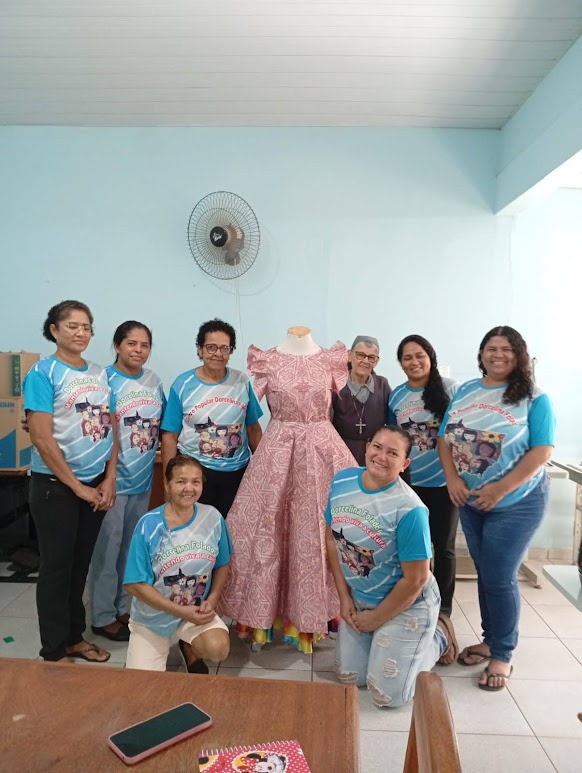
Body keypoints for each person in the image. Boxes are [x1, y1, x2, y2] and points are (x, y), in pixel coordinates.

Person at [220, 327, 356, 652]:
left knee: (319, 531)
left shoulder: (330, 359)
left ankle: (318, 614)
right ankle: (264, 613)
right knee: (267, 528)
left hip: (322, 452)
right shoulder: (267, 360)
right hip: (277, 451)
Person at [437, 326, 555, 691]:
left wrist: (501, 489)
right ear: (481, 353)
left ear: (519, 355)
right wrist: (452, 479)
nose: (498, 354)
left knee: (500, 577)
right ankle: (490, 640)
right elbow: (443, 439)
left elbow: (542, 451)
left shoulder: (535, 398)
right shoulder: (465, 391)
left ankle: (503, 653)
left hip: (517, 503)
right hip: (472, 502)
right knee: (487, 573)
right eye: (491, 348)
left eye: (507, 348)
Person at [324, 426, 458, 708]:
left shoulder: (410, 509)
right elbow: (332, 540)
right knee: (350, 677)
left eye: (392, 453)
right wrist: (344, 598)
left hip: (408, 603)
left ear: (405, 463)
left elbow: (416, 579)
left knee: (387, 696)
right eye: (377, 447)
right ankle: (383, 640)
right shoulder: (342, 481)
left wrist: (376, 619)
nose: (381, 456)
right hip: (361, 599)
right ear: (367, 447)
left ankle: (438, 637)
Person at [23, 300, 118, 663]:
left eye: (86, 327)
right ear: (54, 330)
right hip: (55, 487)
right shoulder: (43, 374)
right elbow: (41, 437)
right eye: (72, 326)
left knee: (80, 566)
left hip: (95, 484)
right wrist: (78, 488)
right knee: (56, 569)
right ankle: (53, 649)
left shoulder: (99, 373)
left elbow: (111, 427)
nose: (81, 333)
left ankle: (74, 638)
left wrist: (109, 478)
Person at [89, 321, 165, 642]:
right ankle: (102, 616)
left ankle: (121, 607)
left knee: (130, 550)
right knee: (106, 552)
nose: (138, 350)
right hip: (111, 482)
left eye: (144, 345)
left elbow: (162, 425)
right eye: (131, 343)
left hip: (142, 480)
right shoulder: (103, 380)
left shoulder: (153, 380)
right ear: (117, 346)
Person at [124, 454, 232, 673]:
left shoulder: (212, 517)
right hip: (152, 619)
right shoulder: (148, 525)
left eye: (195, 482)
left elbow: (223, 563)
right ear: (167, 484)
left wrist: (212, 600)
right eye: (181, 481)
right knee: (141, 688)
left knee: (218, 648)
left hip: (194, 613)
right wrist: (181, 611)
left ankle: (188, 645)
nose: (188, 488)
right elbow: (134, 584)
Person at [161, 318, 263, 516]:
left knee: (233, 529)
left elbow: (253, 429)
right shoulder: (183, 384)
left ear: (231, 351)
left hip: (237, 474)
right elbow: (169, 436)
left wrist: (262, 471)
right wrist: (168, 482)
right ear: (200, 349)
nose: (218, 353)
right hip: (195, 474)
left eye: (225, 348)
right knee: (197, 527)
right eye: (211, 347)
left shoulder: (241, 381)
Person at [388, 335, 459, 616]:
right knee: (412, 548)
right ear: (401, 363)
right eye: (407, 358)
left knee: (443, 547)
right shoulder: (396, 396)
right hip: (409, 485)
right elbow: (394, 440)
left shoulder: (451, 389)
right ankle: (412, 603)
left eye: (420, 356)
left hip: (444, 483)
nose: (414, 362)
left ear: (431, 357)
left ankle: (443, 610)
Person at [331, 335, 391, 466]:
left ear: (376, 361)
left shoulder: (382, 384)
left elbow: (391, 422)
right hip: (341, 453)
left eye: (371, 357)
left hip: (376, 456)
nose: (365, 361)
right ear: (349, 355)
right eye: (360, 355)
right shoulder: (335, 384)